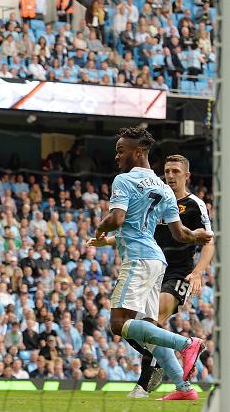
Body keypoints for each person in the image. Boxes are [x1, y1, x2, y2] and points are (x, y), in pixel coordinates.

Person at [88, 127, 212, 401]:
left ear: (139, 152)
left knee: (119, 324)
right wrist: (198, 235)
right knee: (148, 330)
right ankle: (183, 387)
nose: (117, 156)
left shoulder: (124, 180)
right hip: (157, 261)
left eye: (121, 150)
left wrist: (100, 228)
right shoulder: (163, 189)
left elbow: (117, 219)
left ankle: (187, 344)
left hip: (138, 260)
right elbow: (180, 234)